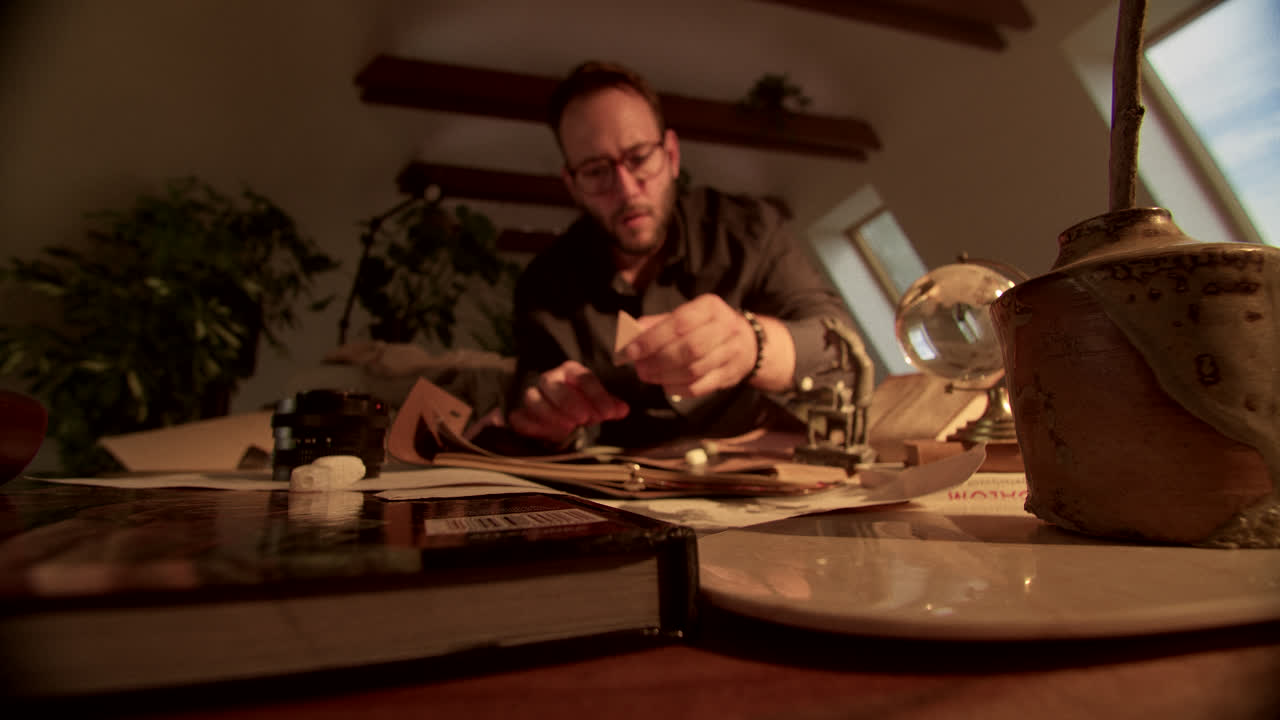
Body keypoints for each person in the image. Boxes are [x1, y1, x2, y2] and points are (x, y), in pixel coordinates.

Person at [505, 60, 859, 451]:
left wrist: (752, 345)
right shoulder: (544, 283)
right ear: (572, 185)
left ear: (671, 155)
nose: (625, 189)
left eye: (639, 157)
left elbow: (840, 352)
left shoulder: (750, 231)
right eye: (595, 171)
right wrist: (548, 411)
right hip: (620, 485)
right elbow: (529, 395)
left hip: (752, 467)